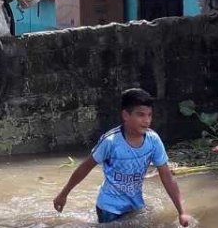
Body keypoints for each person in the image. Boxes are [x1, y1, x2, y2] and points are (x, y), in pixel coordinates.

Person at [53, 88, 191, 226]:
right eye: (141, 115)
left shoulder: (153, 140)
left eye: (149, 115)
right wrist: (63, 194)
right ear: (126, 115)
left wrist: (182, 212)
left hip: (135, 205)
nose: (147, 120)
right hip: (109, 208)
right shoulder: (110, 141)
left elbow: (167, 177)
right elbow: (85, 167)